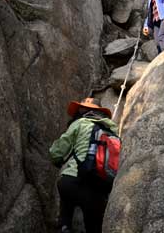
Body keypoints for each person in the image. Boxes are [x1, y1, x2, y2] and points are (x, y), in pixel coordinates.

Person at [50, 97, 118, 233]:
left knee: (66, 199)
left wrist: (57, 160)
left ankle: (65, 226)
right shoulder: (113, 131)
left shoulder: (79, 123)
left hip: (72, 181)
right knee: (93, 226)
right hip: (99, 189)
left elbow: (57, 152)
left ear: (85, 110)